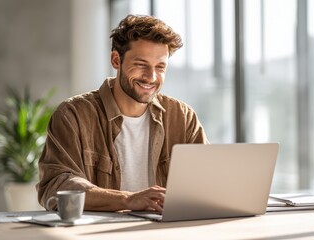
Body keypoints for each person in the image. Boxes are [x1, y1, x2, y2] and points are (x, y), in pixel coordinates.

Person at [37, 14, 208, 212]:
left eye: (160, 67)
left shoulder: (182, 117)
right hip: (99, 233)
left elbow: (207, 180)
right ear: (116, 60)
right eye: (141, 64)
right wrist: (127, 200)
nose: (151, 77)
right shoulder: (73, 115)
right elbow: (57, 185)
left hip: (165, 230)